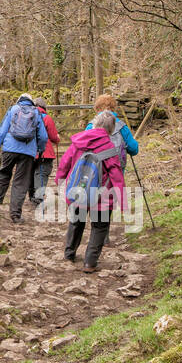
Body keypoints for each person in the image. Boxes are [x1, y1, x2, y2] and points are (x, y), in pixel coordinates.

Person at [55, 110, 125, 272]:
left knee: (76, 221)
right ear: (111, 130)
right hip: (101, 196)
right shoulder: (109, 147)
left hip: (78, 191)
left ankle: (69, 253)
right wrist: (121, 198)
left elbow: (65, 162)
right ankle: (89, 262)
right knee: (99, 227)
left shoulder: (79, 141)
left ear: (95, 124)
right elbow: (116, 174)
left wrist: (59, 179)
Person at [0, 93, 48, 222]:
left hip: (9, 149)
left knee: (4, 175)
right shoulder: (36, 112)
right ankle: (15, 214)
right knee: (20, 182)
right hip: (27, 152)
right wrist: (40, 150)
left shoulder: (13, 109)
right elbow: (43, 136)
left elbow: (2, 131)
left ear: (19, 100)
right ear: (31, 101)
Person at [88, 94, 139, 176]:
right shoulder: (122, 127)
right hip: (117, 172)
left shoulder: (91, 126)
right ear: (113, 108)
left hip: (94, 172)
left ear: (97, 108)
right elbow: (134, 149)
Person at [31, 97, 59, 206]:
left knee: (34, 172)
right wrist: (57, 138)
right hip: (45, 151)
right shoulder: (46, 118)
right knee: (42, 172)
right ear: (44, 107)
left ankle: (33, 195)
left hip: (30, 150)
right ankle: (38, 197)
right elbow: (53, 136)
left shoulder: (29, 116)